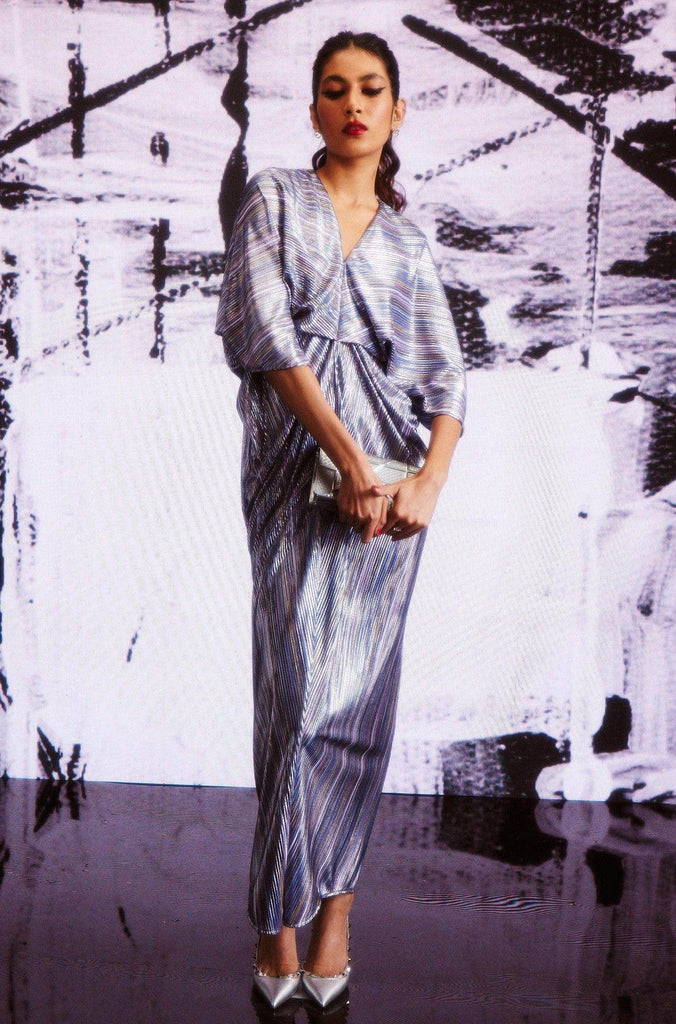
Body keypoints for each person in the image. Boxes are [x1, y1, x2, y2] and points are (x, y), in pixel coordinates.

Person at [214, 30, 466, 1009]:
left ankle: (335, 919)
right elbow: (262, 332)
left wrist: (426, 481)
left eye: (370, 89)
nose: (353, 104)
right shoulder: (275, 198)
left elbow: (444, 379)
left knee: (361, 702)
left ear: (396, 111)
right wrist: (347, 459)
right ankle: (274, 923)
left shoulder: (408, 242)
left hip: (388, 502)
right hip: (296, 474)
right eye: (334, 88)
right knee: (298, 700)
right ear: (314, 108)